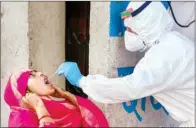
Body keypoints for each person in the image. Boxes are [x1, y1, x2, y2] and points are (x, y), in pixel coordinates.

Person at [56, 1, 195, 127]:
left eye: (130, 30)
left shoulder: (163, 56)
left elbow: (129, 87)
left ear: (148, 28)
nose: (127, 35)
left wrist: (82, 81)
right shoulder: (175, 42)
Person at [4, 69, 109, 127]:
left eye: (36, 71)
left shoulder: (55, 108)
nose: (41, 73)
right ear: (25, 92)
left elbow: (94, 117)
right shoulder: (20, 122)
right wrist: (40, 109)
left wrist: (66, 95)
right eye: (32, 75)